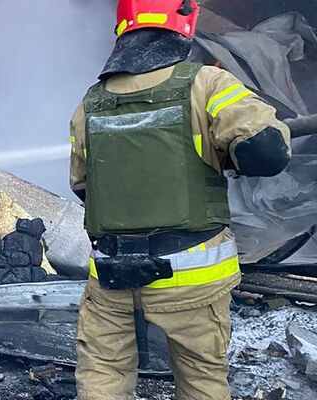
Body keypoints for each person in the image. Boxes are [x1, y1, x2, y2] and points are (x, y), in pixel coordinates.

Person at [68, 1, 292, 399]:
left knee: (101, 379)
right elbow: (268, 153)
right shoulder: (207, 84)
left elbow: (84, 187)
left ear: (122, 26)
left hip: (113, 279)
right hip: (193, 283)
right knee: (202, 384)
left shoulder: (90, 103)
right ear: (185, 22)